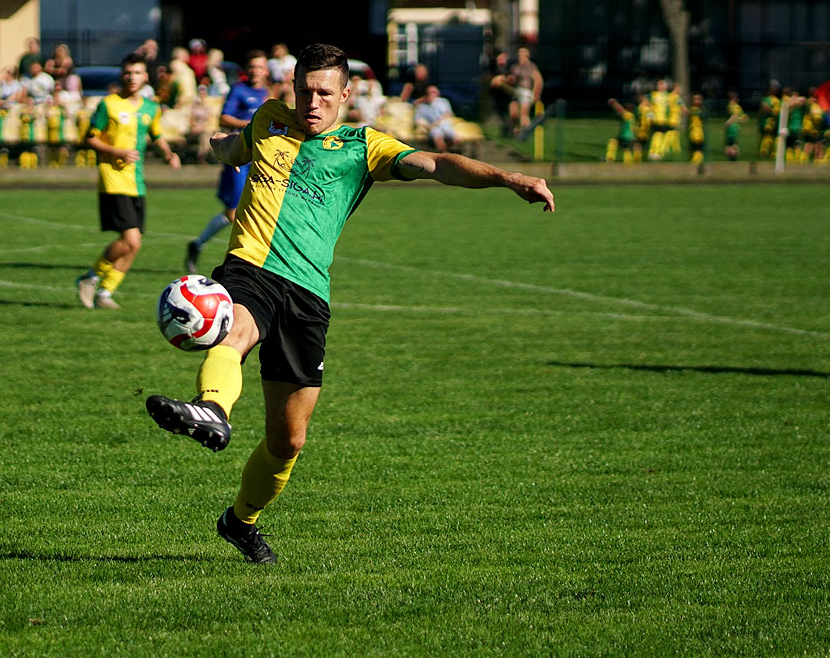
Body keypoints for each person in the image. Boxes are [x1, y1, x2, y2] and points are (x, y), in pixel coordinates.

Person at [143, 43, 554, 564]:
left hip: (310, 293)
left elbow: (436, 163)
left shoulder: (364, 146)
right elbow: (235, 148)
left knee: (288, 441)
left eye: (322, 93)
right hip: (251, 268)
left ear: (345, 93)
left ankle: (239, 521)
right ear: (290, 90)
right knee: (236, 329)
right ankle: (212, 409)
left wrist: (507, 178)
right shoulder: (270, 120)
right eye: (303, 91)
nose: (311, 103)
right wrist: (220, 145)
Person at [75, 53, 181, 310]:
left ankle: (105, 293)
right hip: (113, 178)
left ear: (145, 77)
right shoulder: (108, 105)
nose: (131, 78)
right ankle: (90, 277)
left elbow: (155, 133)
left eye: (137, 73)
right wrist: (117, 152)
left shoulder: (150, 107)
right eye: (127, 73)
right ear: (121, 76)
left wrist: (168, 152)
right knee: (130, 240)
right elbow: (89, 138)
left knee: (134, 245)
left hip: (136, 182)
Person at [185, 50, 270, 274]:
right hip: (238, 156)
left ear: (266, 70)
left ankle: (252, 260)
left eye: (259, 67)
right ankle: (200, 245)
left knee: (258, 208)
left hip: (259, 157)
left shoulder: (267, 93)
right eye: (252, 66)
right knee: (233, 212)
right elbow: (224, 117)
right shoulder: (238, 90)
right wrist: (252, 124)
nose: (255, 71)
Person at [509, 47, 543, 136]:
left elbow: (538, 80)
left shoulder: (532, 67)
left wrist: (536, 94)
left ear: (528, 55)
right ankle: (517, 130)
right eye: (520, 54)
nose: (521, 56)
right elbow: (512, 80)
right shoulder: (515, 67)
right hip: (516, 91)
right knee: (513, 113)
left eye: (523, 53)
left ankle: (527, 131)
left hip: (526, 92)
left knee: (524, 114)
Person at [413, 84, 457, 151]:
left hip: (444, 124)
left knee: (455, 138)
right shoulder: (422, 106)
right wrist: (426, 126)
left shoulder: (443, 102)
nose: (435, 95)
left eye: (436, 92)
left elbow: (448, 114)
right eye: (432, 93)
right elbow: (418, 119)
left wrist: (436, 123)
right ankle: (444, 154)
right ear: (426, 95)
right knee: (437, 138)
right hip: (432, 128)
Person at [724, 91, 745, 161]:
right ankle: (733, 154)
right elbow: (743, 117)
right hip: (735, 127)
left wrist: (729, 122)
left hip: (732, 128)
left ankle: (733, 154)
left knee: (730, 143)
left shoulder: (733, 106)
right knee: (731, 143)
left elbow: (735, 115)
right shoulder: (738, 107)